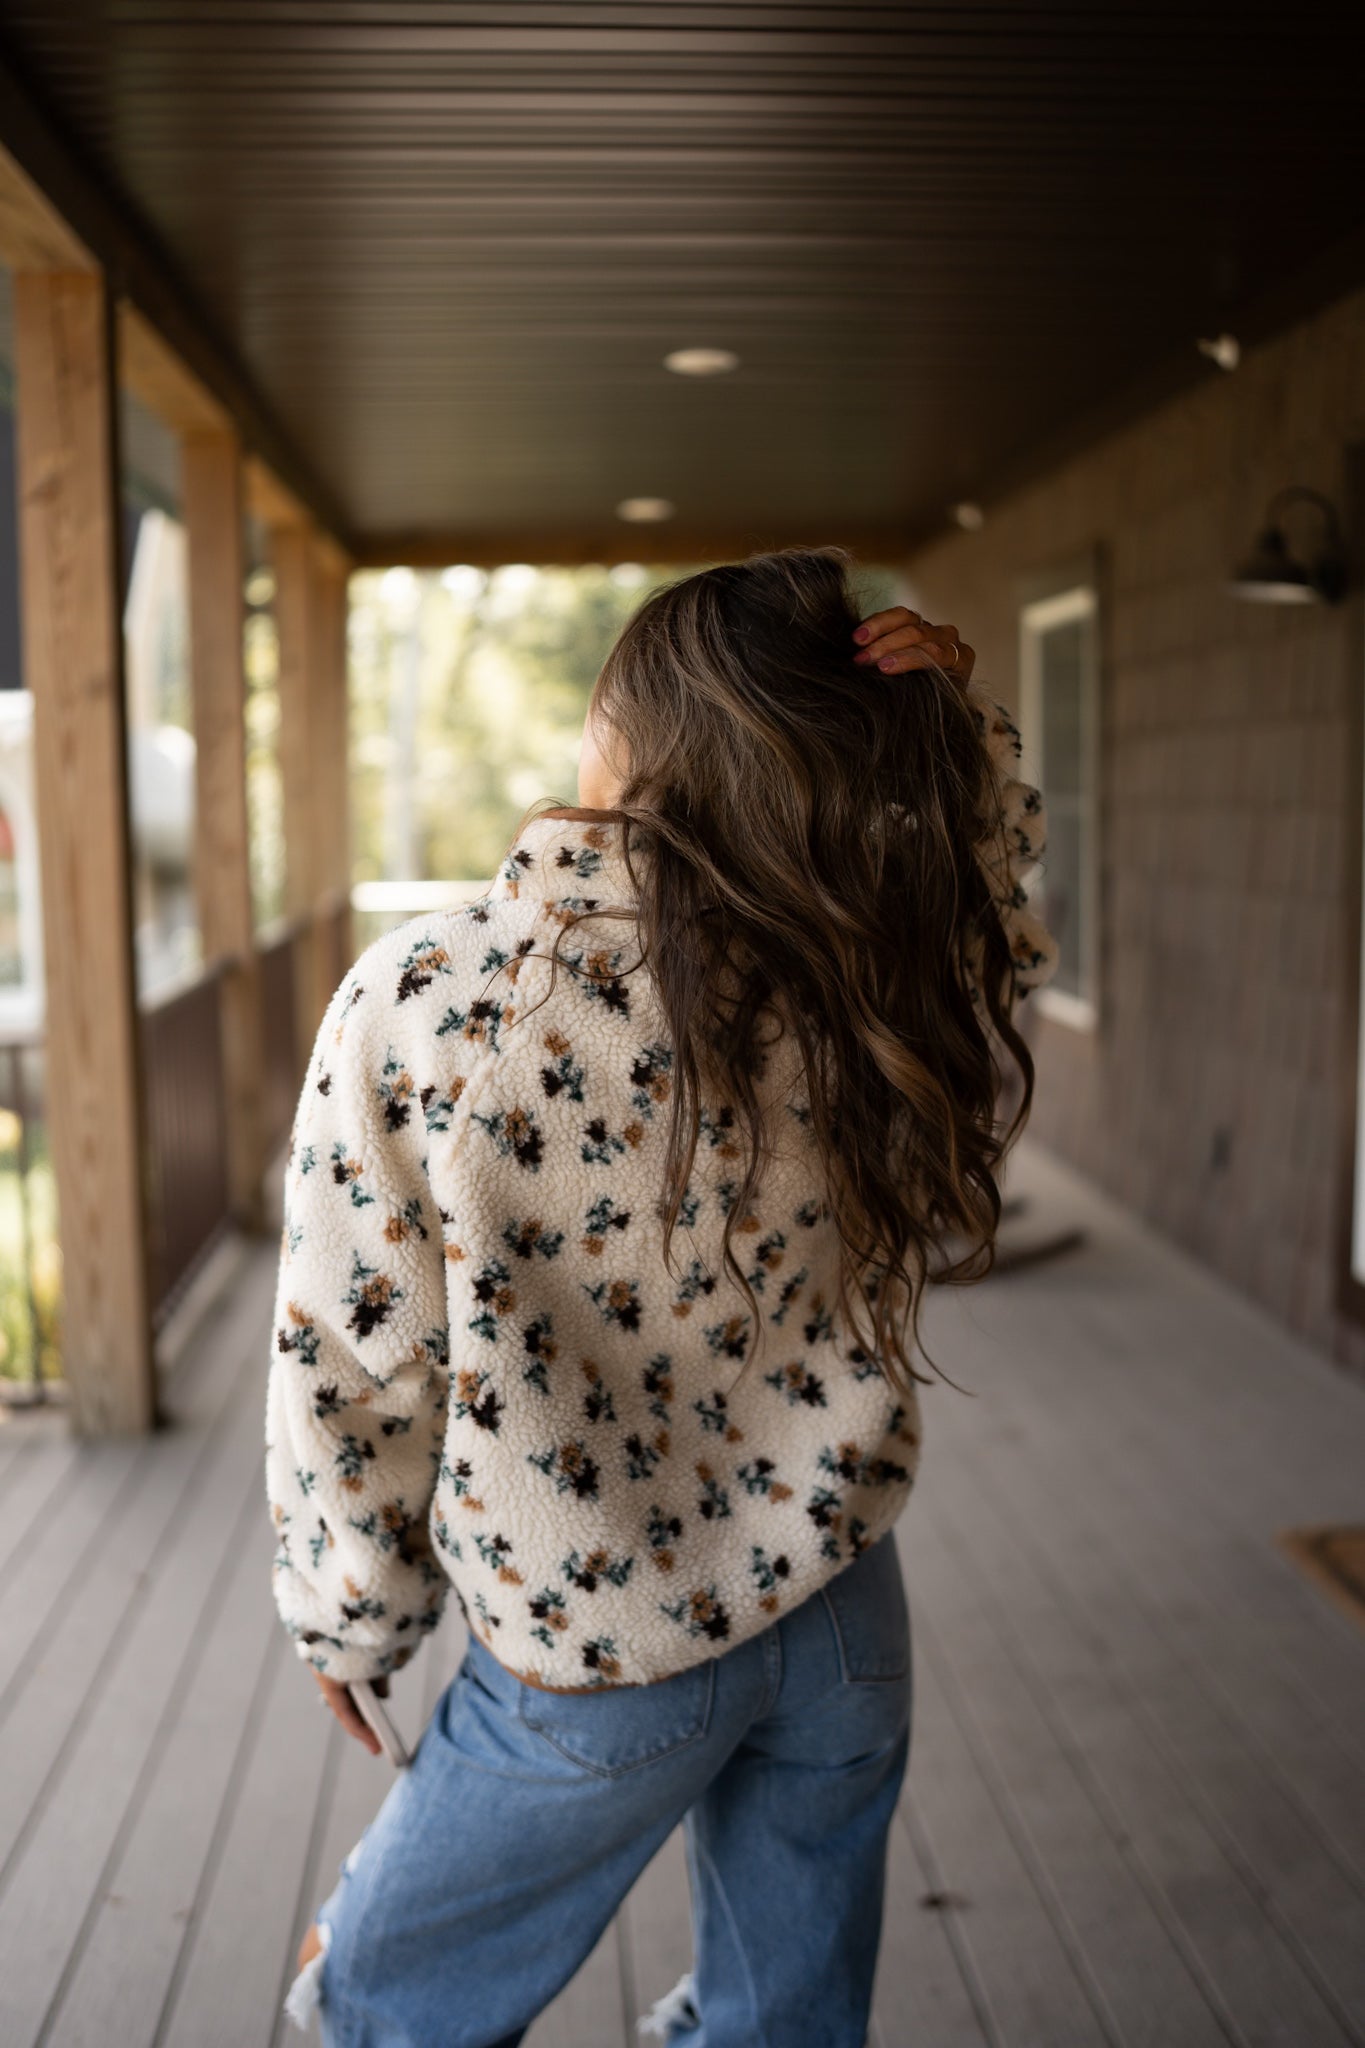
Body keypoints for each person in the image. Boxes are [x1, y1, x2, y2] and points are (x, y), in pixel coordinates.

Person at [269, 547, 1057, 2048]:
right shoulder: (860, 966)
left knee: (376, 2008)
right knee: (784, 2029)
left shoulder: (435, 999)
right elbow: (1000, 901)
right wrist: (953, 727)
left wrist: (350, 1617)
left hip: (595, 1647)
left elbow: (353, 1361)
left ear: (634, 740)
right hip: (840, 1612)